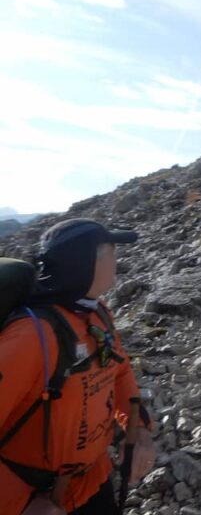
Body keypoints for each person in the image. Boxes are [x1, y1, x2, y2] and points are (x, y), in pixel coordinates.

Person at [0, 219, 157, 514]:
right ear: (89, 262)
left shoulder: (97, 313)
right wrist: (17, 504)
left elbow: (119, 371)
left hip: (94, 481)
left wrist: (139, 430)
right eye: (113, 252)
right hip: (40, 500)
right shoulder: (32, 337)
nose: (117, 261)